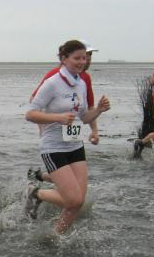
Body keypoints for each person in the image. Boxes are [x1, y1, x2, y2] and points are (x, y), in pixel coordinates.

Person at [24, 39, 110, 234]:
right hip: (54, 148)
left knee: (78, 201)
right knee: (73, 199)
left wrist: (99, 110)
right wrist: (57, 118)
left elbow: (84, 117)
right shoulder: (52, 83)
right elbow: (30, 114)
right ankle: (35, 193)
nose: (82, 62)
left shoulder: (81, 83)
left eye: (84, 58)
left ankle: (57, 237)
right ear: (64, 59)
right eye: (77, 58)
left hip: (75, 146)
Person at [28, 40, 100, 183]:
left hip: (72, 136)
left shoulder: (84, 79)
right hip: (53, 133)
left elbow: (89, 108)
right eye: (82, 56)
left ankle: (40, 176)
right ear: (66, 58)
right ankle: (39, 183)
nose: (87, 59)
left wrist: (95, 130)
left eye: (88, 55)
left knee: (73, 181)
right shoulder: (55, 75)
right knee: (67, 181)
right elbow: (34, 100)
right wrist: (44, 126)